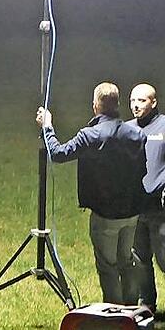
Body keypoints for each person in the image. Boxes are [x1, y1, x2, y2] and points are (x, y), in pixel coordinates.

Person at [36, 82, 147, 305]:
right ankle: (132, 309)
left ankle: (114, 314)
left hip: (105, 215)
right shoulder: (136, 134)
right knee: (126, 259)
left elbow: (58, 153)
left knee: (108, 265)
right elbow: (142, 169)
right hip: (131, 212)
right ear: (117, 104)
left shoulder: (91, 135)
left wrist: (47, 127)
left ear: (96, 105)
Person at [129, 83, 165, 313]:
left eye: (142, 101)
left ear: (154, 103)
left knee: (164, 258)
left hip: (159, 209)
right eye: (133, 100)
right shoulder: (127, 129)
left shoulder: (163, 127)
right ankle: (147, 304)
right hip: (134, 208)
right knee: (140, 259)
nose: (136, 105)